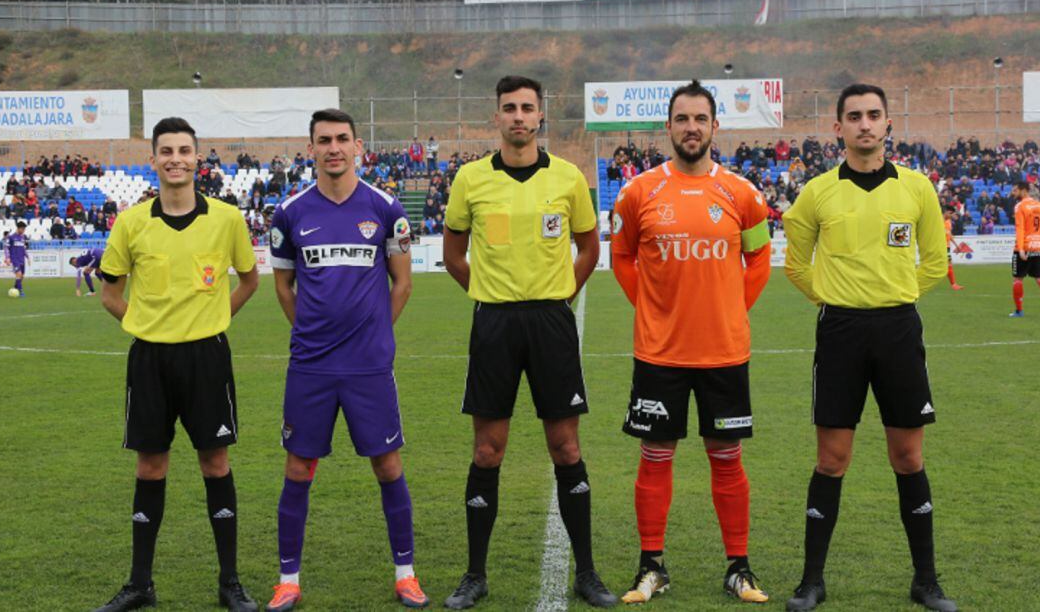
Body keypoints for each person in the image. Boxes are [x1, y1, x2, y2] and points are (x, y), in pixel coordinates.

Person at [441, 75, 615, 609]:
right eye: (509, 108)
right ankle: (475, 575)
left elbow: (589, 248)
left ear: (541, 116)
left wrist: (564, 293)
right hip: (493, 323)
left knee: (565, 446)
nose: (518, 116)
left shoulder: (567, 177)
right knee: (488, 449)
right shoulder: (470, 179)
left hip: (550, 323)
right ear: (496, 117)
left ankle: (586, 572)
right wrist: (490, 294)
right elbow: (453, 253)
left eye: (527, 108)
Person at [782, 84, 955, 612]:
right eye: (853, 116)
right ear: (837, 128)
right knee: (831, 460)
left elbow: (934, 259)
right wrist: (832, 299)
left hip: (899, 330)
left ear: (887, 124)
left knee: (908, 456)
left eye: (873, 115)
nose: (864, 124)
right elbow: (795, 262)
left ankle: (926, 580)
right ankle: (812, 581)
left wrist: (894, 299)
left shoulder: (918, 188)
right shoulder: (816, 192)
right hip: (840, 332)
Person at [611, 80, 772, 605]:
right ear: (669, 127)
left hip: (723, 350)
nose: (691, 128)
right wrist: (654, 307)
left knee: (726, 455)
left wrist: (727, 308)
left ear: (714, 126)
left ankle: (739, 567)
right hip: (660, 351)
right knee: (655, 453)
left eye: (700, 119)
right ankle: (651, 565)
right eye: (682, 119)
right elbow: (623, 258)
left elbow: (760, 261)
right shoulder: (638, 192)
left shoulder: (744, 194)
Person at [265, 109, 429, 611]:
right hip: (311, 366)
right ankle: (287, 580)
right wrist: (313, 335)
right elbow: (284, 287)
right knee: (298, 468)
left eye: (341, 139)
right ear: (310, 147)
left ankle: (406, 574)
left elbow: (402, 283)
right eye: (323, 140)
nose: (333, 148)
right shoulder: (290, 213)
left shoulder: (385, 208)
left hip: (368, 366)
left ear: (358, 145)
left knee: (387, 463)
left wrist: (375, 333)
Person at [95, 117, 260, 612]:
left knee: (215, 462)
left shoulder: (227, 219)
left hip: (207, 357)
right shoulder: (132, 221)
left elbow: (250, 281)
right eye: (165, 151)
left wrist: (210, 319)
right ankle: (140, 583)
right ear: (153, 160)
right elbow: (109, 292)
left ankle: (229, 581)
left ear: (197, 158)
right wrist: (146, 325)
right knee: (151, 464)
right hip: (149, 358)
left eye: (184, 150)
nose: (175, 159)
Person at [1009, 182, 1040, 318]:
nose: (1013, 193)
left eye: (1015, 190)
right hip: (1039, 245)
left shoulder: (1020, 206)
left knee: (1017, 279)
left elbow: (1020, 228)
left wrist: (1021, 248)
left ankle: (1019, 311)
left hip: (1025, 246)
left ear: (1024, 191)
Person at [4, 220, 29, 296]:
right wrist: (7, 258)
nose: (24, 231)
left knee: (22, 276)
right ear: (19, 228)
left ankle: (15, 287)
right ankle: (21, 291)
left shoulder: (22, 237)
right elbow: (6, 247)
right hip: (14, 259)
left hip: (22, 259)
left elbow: (23, 248)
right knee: (19, 274)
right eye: (23, 229)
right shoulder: (11, 237)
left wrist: (27, 256)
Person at [943, 206, 963, 291]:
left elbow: (949, 234)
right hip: (939, 247)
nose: (951, 215)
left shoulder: (948, 222)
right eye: (950, 213)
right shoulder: (937, 221)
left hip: (946, 247)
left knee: (948, 265)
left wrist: (956, 245)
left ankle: (954, 284)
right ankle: (953, 284)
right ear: (946, 212)